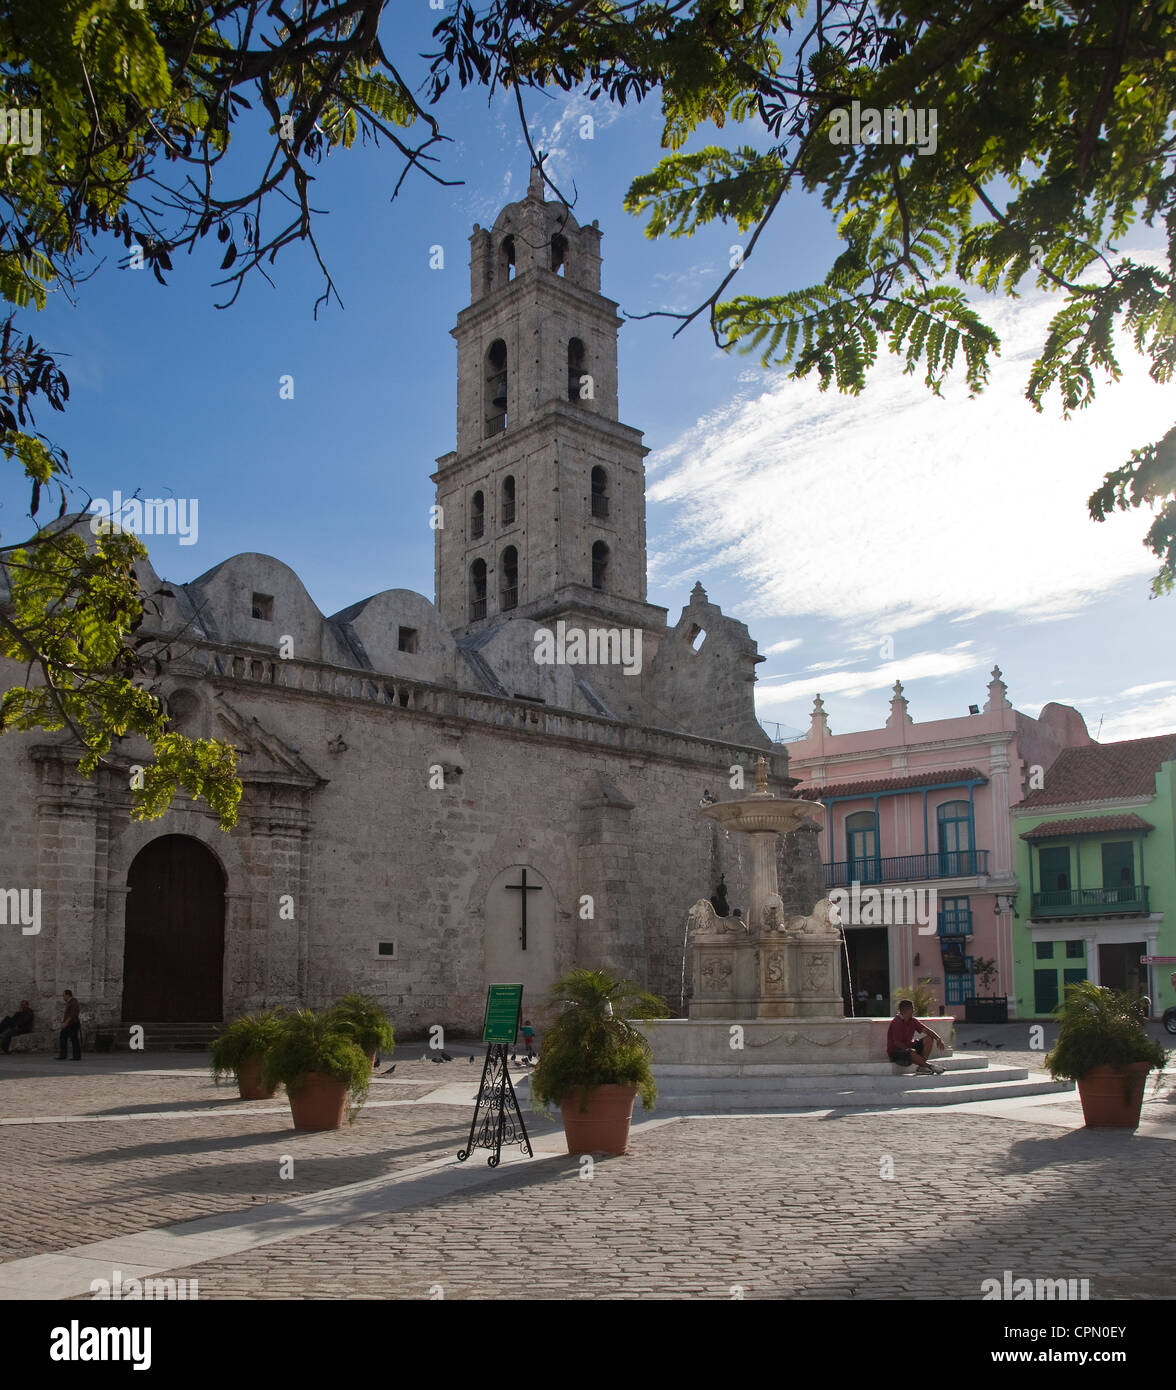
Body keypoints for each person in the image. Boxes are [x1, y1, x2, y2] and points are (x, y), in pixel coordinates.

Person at [887, 999, 946, 1075]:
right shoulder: (896, 1022)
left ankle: (921, 1067)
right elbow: (897, 1043)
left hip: (909, 1048)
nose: (914, 1010)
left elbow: (926, 1030)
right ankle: (931, 1066)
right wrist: (908, 1050)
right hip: (897, 1053)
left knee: (929, 1039)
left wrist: (938, 1038)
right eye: (912, 1008)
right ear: (906, 1010)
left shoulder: (913, 1021)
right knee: (911, 1052)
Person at [56, 990, 81, 1061]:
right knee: (63, 1038)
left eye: (63, 995)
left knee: (74, 1039)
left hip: (72, 1024)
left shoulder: (73, 1002)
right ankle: (63, 1055)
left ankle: (76, 1056)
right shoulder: (70, 1002)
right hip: (69, 1024)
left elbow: (72, 1014)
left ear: (68, 995)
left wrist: (65, 1023)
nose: (63, 997)